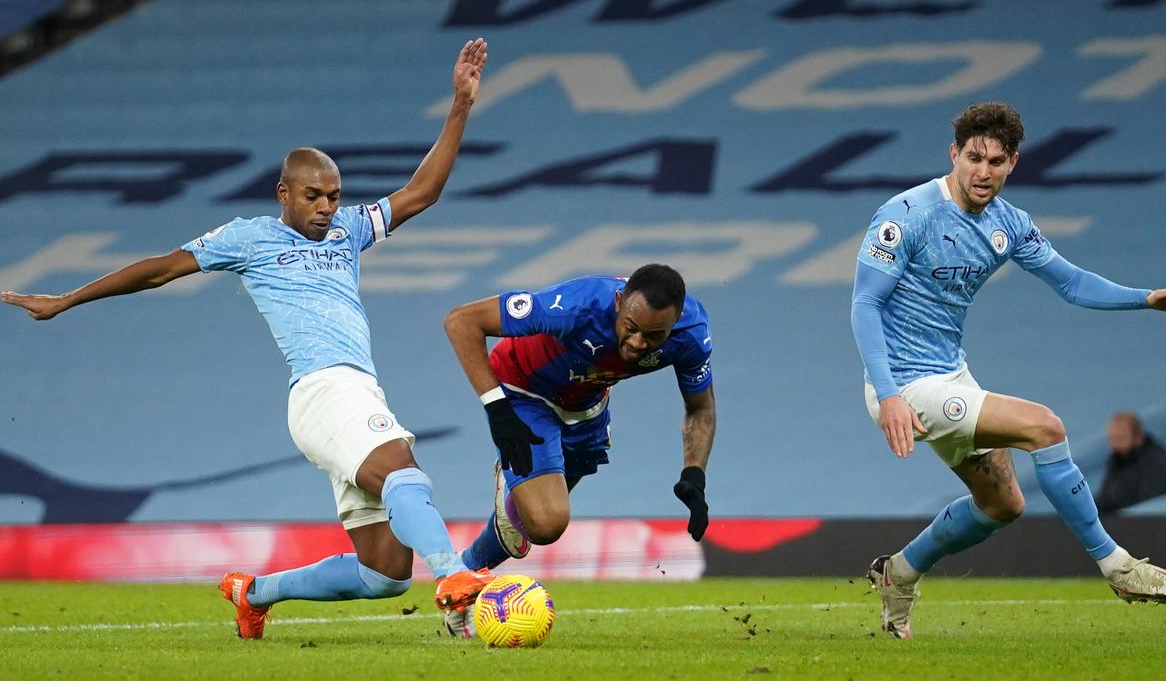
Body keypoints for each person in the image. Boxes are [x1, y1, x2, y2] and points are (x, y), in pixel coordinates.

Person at [2, 38, 494, 640]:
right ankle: (454, 583)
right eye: (313, 196)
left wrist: (460, 107)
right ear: (283, 195)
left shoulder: (347, 231)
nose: (326, 207)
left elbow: (421, 193)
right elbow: (160, 267)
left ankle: (255, 593)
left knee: (385, 573)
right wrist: (68, 299)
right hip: (323, 389)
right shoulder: (249, 238)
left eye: (334, 195)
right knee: (404, 476)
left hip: (353, 392)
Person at [850, 101, 1166, 639]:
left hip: (950, 374)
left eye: (996, 161)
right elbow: (865, 305)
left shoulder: (1009, 224)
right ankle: (1119, 567)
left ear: (1012, 163)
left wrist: (1147, 299)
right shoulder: (907, 214)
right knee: (1046, 426)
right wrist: (889, 393)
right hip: (902, 383)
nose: (982, 171)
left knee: (1002, 504)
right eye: (973, 158)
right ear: (954, 154)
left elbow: (1072, 282)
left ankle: (898, 572)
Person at [440, 264, 716, 635]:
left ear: (676, 321)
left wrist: (694, 475)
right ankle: (512, 486)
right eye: (630, 328)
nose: (637, 343)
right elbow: (461, 321)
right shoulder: (576, 305)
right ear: (619, 303)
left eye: (653, 336)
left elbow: (700, 408)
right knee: (547, 522)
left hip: (586, 406)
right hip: (524, 392)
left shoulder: (691, 334)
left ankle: (460, 578)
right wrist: (499, 411)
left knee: (524, 528)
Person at [1095, 411, 1166, 513]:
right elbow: (1106, 498)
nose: (1115, 445)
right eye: (1111, 439)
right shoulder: (1117, 459)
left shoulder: (1157, 463)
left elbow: (1150, 507)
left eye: (1120, 438)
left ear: (1138, 438)